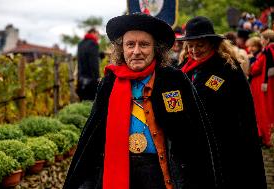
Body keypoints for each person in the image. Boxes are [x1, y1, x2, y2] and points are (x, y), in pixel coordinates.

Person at [63, 13, 221, 189]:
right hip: (122, 176)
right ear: (121, 49)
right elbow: (91, 142)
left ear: (156, 48)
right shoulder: (109, 83)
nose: (136, 51)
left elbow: (196, 139)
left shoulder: (174, 81)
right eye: (130, 44)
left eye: (144, 44)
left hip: (163, 176)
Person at [177, 16, 267, 189]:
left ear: (211, 43)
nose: (194, 50)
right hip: (193, 148)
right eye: (190, 45)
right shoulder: (182, 70)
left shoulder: (227, 68)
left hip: (224, 148)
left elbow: (243, 112)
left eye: (200, 45)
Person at [249, 29, 274, 147]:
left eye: (263, 38)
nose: (262, 41)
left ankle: (266, 138)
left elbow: (256, 69)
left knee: (262, 111)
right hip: (266, 83)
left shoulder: (266, 52)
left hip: (261, 84)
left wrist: (252, 66)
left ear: (267, 40)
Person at [76, 28, 100, 101]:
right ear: (93, 33)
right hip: (91, 81)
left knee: (83, 102)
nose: (98, 37)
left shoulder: (80, 44)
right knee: (92, 104)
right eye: (97, 34)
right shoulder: (93, 44)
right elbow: (94, 63)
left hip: (81, 80)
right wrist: (97, 78)